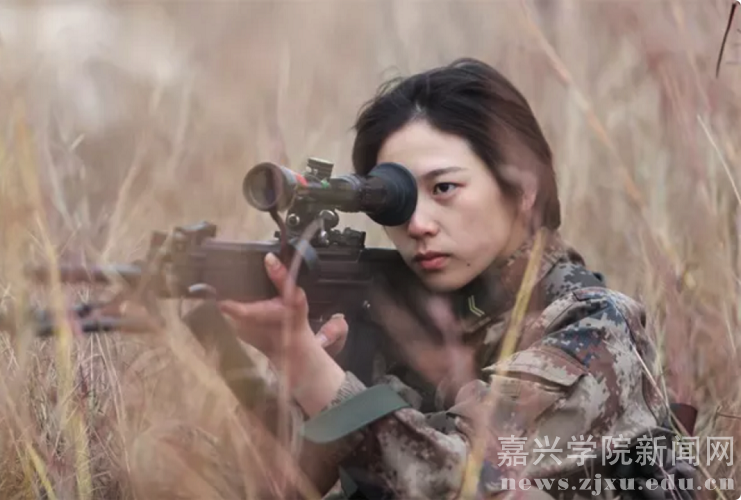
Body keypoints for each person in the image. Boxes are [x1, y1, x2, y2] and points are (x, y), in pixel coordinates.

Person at [218, 58, 697, 500]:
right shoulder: (392, 314)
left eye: (444, 188)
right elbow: (264, 486)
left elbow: (470, 481)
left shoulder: (596, 327)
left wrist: (310, 369)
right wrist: (301, 373)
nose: (417, 224)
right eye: (395, 202)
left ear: (523, 189)